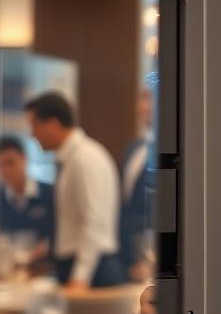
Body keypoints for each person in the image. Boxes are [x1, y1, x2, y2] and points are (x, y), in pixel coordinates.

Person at [25, 92, 125, 288]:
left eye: (34, 126)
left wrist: (80, 276)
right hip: (77, 265)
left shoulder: (84, 158)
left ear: (52, 123)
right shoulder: (71, 158)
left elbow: (93, 220)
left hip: (93, 270)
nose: (32, 134)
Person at [0, 135, 55, 271]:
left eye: (10, 163)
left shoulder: (49, 193)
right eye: (0, 165)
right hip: (7, 270)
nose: (5, 171)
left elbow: (56, 236)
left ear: (24, 159)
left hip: (43, 271)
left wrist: (29, 257)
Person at [119, 83, 155, 281]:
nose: (146, 106)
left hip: (155, 253)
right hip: (129, 255)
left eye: (152, 98)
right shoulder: (133, 148)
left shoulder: (179, 150)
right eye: (144, 98)